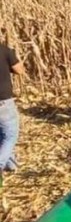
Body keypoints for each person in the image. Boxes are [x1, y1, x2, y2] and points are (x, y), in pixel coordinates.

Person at [0, 35, 25, 186]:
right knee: (10, 135)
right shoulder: (4, 50)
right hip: (3, 102)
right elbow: (19, 70)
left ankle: (11, 165)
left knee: (1, 135)